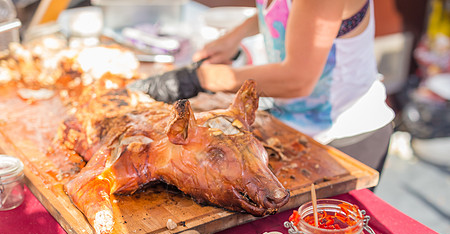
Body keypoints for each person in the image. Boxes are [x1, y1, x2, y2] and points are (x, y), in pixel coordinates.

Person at [129, 0, 395, 177]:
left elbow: (298, 79)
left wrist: (200, 79)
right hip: (296, 127)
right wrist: (235, 36)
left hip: (346, 137)